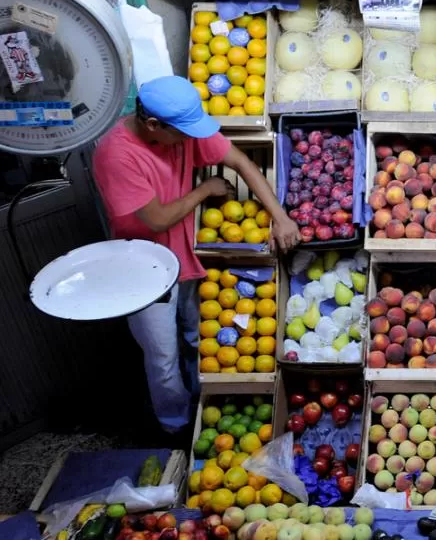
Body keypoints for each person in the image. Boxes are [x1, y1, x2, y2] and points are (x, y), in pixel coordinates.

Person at [92, 76, 300, 433]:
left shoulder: (180, 132)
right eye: (184, 132)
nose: (191, 139)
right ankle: (177, 427)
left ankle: (206, 410)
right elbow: (156, 219)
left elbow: (241, 162)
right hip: (143, 268)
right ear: (153, 124)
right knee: (162, 357)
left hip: (188, 257)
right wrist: (204, 190)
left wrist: (281, 218)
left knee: (197, 338)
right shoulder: (116, 154)